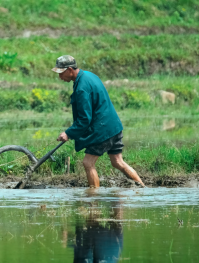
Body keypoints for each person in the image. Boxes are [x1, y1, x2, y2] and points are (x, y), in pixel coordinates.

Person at [53, 55, 144, 188]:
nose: (60, 77)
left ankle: (93, 200)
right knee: (118, 162)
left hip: (103, 130)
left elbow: (85, 119)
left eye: (61, 73)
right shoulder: (89, 76)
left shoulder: (81, 88)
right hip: (113, 127)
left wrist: (68, 133)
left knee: (88, 163)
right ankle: (143, 189)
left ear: (70, 70)